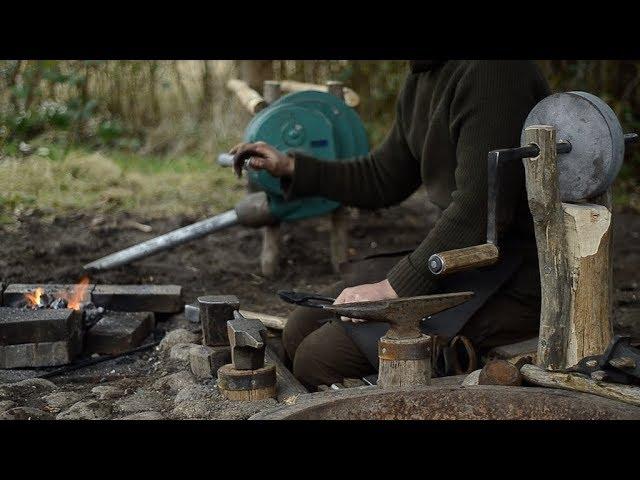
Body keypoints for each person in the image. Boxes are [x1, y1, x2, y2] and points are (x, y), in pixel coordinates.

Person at [230, 60, 551, 389]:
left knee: (319, 358)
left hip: (512, 278)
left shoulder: (494, 71)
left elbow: (478, 209)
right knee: (300, 326)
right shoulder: (423, 73)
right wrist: (292, 168)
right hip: (459, 262)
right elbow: (383, 176)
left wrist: (393, 288)